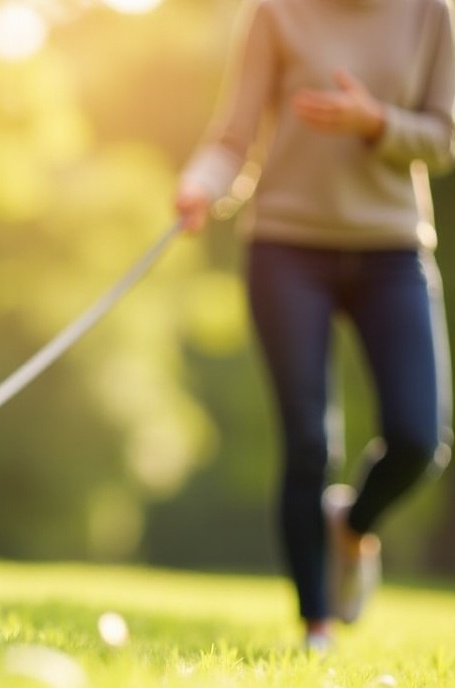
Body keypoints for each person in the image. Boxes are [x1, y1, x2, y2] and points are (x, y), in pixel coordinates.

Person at [175, 0, 455, 651]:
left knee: (418, 438)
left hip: (392, 248)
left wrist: (375, 122)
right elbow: (233, 138)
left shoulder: (429, 14)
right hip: (285, 246)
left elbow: (444, 138)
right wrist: (200, 185)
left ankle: (352, 525)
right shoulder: (275, 13)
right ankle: (317, 626)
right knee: (308, 442)